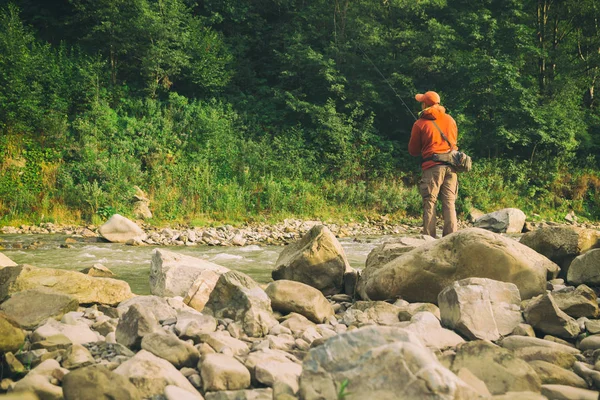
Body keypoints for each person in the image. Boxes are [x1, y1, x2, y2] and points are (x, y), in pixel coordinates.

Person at [408, 91, 458, 238]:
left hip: (432, 167)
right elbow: (454, 142)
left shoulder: (420, 124)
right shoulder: (450, 119)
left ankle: (428, 239)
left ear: (425, 104)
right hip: (451, 165)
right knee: (449, 202)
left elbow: (413, 150)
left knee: (430, 201)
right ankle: (452, 238)